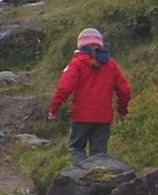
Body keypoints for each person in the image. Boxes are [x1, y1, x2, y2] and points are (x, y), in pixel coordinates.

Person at [48, 27, 131, 160]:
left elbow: (64, 88)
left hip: (81, 116)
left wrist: (54, 109)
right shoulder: (111, 64)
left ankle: (80, 177)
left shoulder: (76, 64)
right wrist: (122, 110)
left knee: (77, 148)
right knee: (99, 154)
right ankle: (98, 179)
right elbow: (124, 90)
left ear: (80, 44)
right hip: (104, 117)